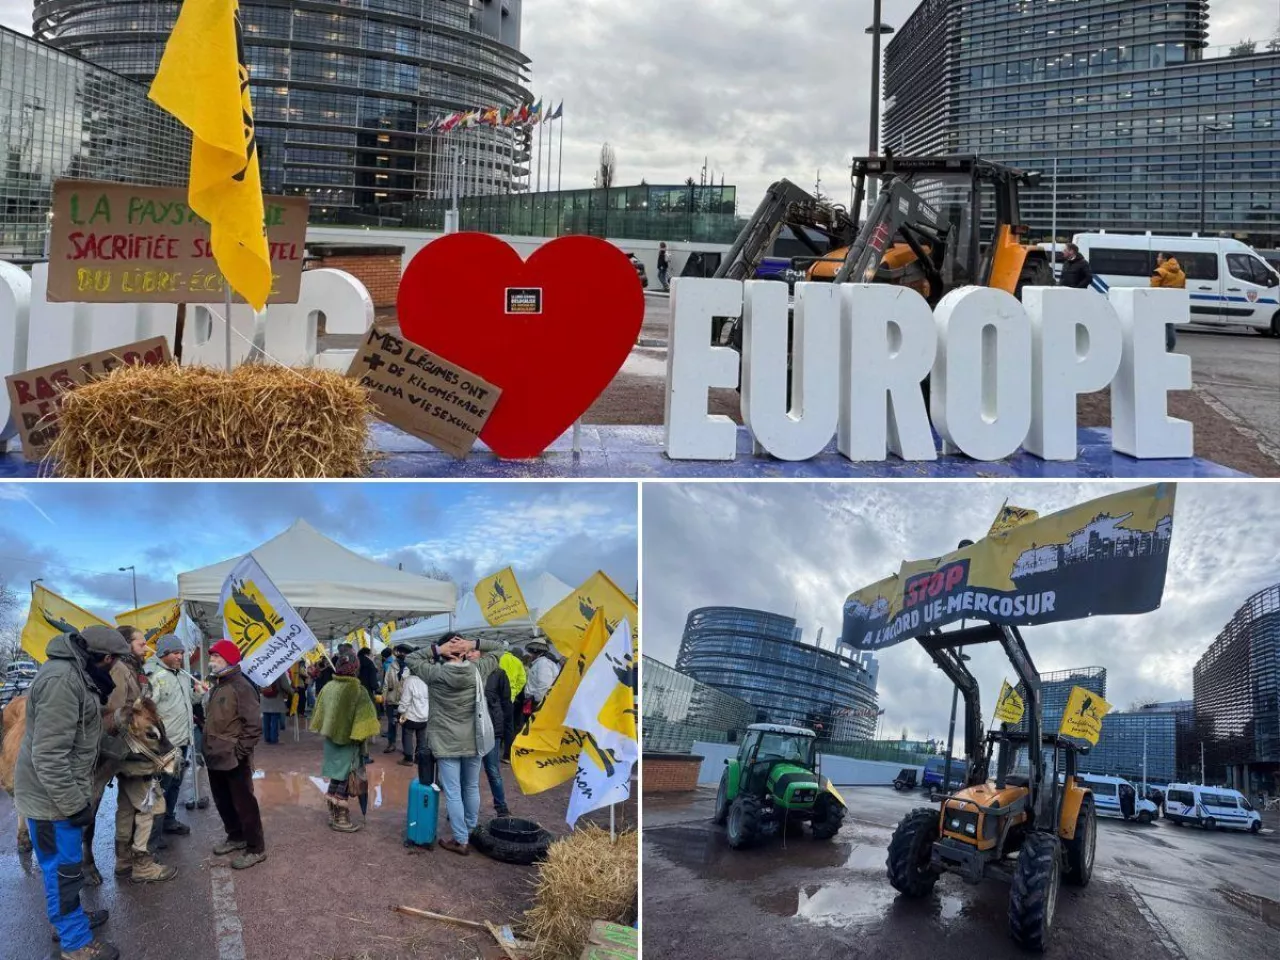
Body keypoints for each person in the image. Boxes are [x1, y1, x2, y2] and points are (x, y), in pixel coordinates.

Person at [14, 626, 123, 960]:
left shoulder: (76, 674)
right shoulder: (63, 681)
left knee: (67, 868)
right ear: (105, 658)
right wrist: (75, 805)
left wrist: (122, 748)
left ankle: (70, 918)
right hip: (51, 800)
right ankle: (75, 943)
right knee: (63, 870)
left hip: (59, 794)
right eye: (115, 662)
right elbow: (48, 755)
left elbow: (81, 735)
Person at [405, 633, 506, 855]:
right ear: (464, 652)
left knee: (453, 792)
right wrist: (473, 644)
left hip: (446, 741)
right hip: (475, 739)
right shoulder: (478, 670)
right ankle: (468, 831)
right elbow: (500, 648)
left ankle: (461, 840)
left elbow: (411, 658)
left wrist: (438, 650)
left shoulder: (434, 673)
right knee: (471, 787)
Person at [109, 625, 176, 882]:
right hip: (134, 754)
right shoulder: (121, 671)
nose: (146, 647)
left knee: (126, 808)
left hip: (130, 753)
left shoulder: (131, 669)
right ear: (126, 645)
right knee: (154, 806)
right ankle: (143, 865)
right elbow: (119, 715)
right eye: (140, 643)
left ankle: (124, 860)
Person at [203, 640, 267, 870]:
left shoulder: (241, 686)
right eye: (211, 657)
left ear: (229, 659)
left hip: (233, 758)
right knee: (223, 801)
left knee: (244, 804)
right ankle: (236, 836)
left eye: (215, 657)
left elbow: (252, 726)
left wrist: (239, 753)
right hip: (215, 757)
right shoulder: (219, 684)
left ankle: (256, 848)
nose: (211, 662)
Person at [309, 650, 379, 832]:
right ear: (355, 668)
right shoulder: (358, 690)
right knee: (346, 779)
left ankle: (333, 815)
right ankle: (341, 819)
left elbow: (318, 715)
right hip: (350, 742)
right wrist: (359, 737)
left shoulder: (328, 688)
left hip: (331, 741)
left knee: (336, 775)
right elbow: (367, 721)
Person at [145, 635, 206, 840]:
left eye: (181, 652)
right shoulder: (155, 676)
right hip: (166, 744)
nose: (180, 656)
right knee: (162, 786)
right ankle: (155, 832)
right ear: (163, 654)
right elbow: (146, 712)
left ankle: (169, 820)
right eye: (176, 653)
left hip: (183, 740)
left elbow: (188, 701)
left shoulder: (180, 674)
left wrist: (198, 693)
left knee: (175, 783)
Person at [483, 666, 513, 817]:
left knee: (492, 769)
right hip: (470, 731)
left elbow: (506, 701)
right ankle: (462, 809)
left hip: (492, 728)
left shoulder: (498, 673)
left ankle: (501, 806)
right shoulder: (466, 669)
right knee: (469, 774)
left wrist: (505, 727)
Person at [396, 662, 430, 775]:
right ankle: (418, 758)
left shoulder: (410, 680)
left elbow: (405, 699)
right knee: (422, 738)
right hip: (425, 715)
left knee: (407, 736)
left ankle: (408, 758)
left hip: (411, 715)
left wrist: (400, 710)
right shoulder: (428, 679)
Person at [1151, 252, 1186, 349]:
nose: (1157, 259)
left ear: (1164, 259)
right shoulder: (1181, 274)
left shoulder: (1159, 272)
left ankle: (1157, 346)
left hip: (1159, 302)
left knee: (1157, 324)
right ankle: (1170, 346)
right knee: (1169, 325)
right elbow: (1182, 290)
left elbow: (1152, 290)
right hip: (1172, 303)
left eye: (1159, 257)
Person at [499, 651, 526, 762]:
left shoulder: (497, 659)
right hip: (510, 698)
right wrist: (514, 692)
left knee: (492, 726)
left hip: (496, 698)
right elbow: (522, 680)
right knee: (509, 727)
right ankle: (507, 755)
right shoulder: (517, 661)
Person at [259, 670, 292, 745]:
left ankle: (267, 738)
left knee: (266, 719)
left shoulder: (262, 671)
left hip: (264, 699)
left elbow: (258, 685)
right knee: (275, 720)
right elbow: (285, 686)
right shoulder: (279, 671)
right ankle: (274, 739)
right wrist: (292, 691)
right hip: (276, 699)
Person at [381, 647, 403, 754]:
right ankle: (391, 743)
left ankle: (406, 747)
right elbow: (385, 684)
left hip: (405, 702)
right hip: (392, 700)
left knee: (405, 725)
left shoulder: (410, 668)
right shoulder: (390, 667)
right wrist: (384, 699)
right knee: (392, 723)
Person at [524, 642, 560, 709]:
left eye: (532, 653)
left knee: (528, 718)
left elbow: (544, 684)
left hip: (534, 701)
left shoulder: (543, 664)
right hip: (530, 700)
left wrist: (536, 701)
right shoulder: (539, 663)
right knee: (525, 718)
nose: (530, 655)